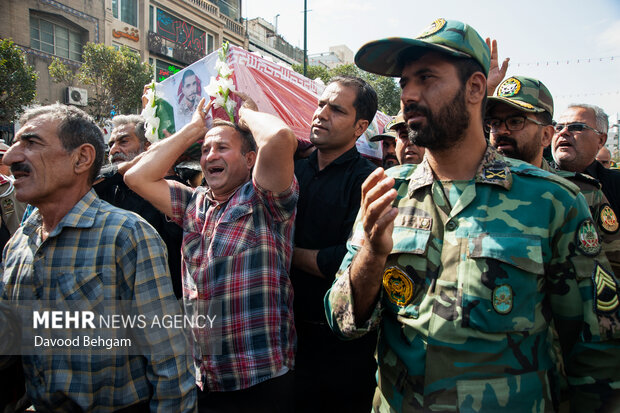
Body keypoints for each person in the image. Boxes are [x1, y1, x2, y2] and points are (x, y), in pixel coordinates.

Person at [325, 18, 620, 412]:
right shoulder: (387, 191)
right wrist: (373, 255)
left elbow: (596, 353)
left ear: (476, 88)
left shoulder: (554, 200)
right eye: (404, 83)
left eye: (426, 78)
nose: (409, 94)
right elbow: (342, 319)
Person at [0, 103, 196, 412]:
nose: (10, 158)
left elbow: (168, 359)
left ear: (81, 158)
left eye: (31, 142)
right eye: (14, 144)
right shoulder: (18, 244)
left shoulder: (126, 234)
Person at [125, 93, 298, 412]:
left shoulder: (264, 201)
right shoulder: (194, 202)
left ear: (249, 159)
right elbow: (137, 176)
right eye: (205, 150)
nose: (210, 155)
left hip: (260, 378)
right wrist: (193, 129)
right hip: (204, 378)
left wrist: (244, 114)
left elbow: (279, 137)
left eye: (221, 147)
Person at [291, 76, 378, 412]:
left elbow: (343, 261)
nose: (321, 114)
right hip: (285, 335)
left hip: (340, 347)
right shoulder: (293, 169)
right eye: (320, 104)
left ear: (360, 127)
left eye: (336, 109)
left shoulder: (368, 180)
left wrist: (285, 253)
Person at [487, 75, 620, 275]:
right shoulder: (475, 189)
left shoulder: (582, 194)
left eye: (515, 121)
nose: (501, 131)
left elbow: (612, 273)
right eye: (495, 123)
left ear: (546, 135)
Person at [94, 114, 185, 298]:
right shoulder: (108, 186)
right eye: (111, 144)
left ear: (147, 147)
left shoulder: (171, 184)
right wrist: (125, 169)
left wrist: (163, 166)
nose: (113, 150)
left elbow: (179, 237)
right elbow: (82, 183)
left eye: (123, 142)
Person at [553, 104, 620, 216]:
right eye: (558, 128)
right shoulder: (532, 179)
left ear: (601, 140)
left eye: (576, 127)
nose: (563, 132)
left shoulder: (616, 185)